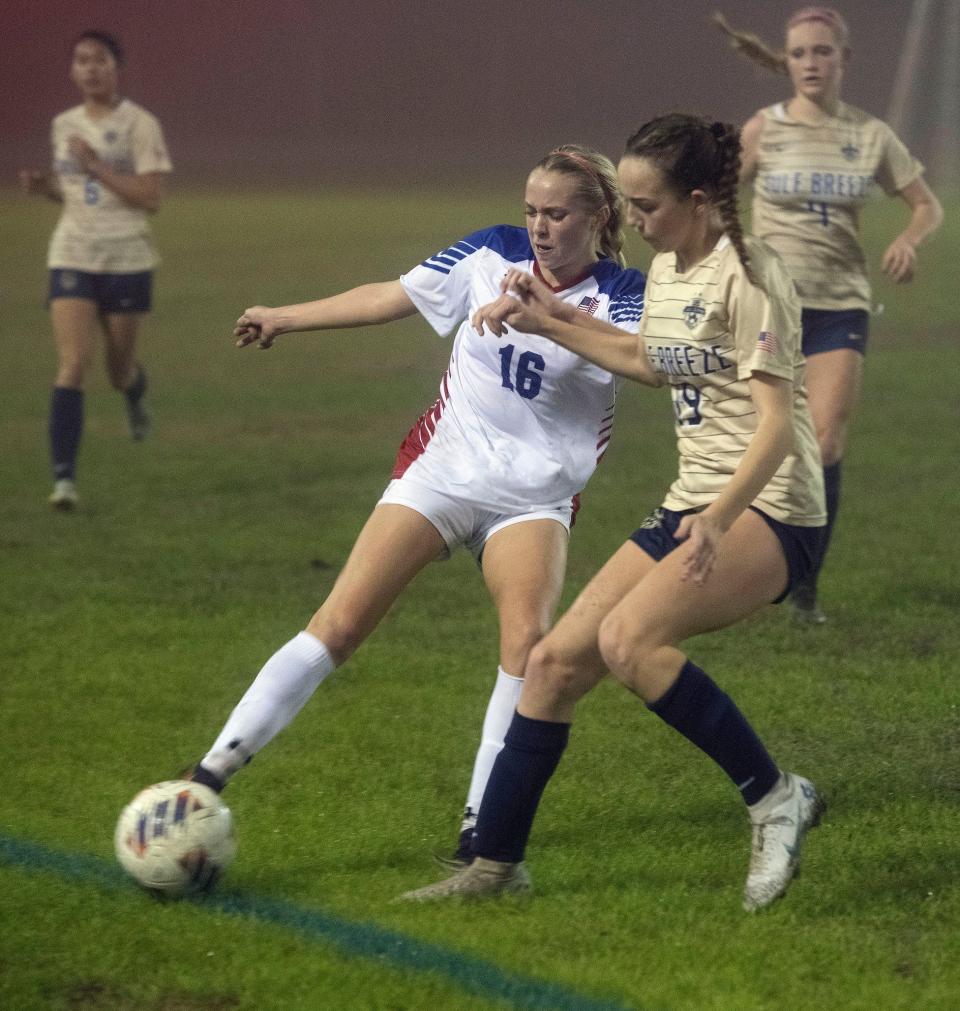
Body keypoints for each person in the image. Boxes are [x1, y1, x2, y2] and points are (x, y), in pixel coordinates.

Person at [400, 113, 827, 913]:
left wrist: (720, 515)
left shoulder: (751, 274)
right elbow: (647, 360)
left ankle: (777, 799)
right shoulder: (668, 265)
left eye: (646, 205)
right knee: (555, 662)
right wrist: (548, 317)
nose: (632, 221)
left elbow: (776, 425)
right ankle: (496, 866)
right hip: (692, 500)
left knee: (629, 640)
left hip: (770, 505)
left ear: (700, 200)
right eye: (625, 203)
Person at [186, 147, 647, 867]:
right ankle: (204, 778)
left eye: (557, 213)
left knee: (526, 646)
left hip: (534, 498)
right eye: (532, 210)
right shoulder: (491, 250)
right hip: (443, 471)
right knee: (337, 623)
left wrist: (546, 318)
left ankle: (479, 833)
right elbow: (390, 295)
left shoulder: (623, 291)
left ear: (600, 217)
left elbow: (642, 357)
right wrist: (285, 316)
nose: (539, 227)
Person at [714, 7, 943, 622]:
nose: (811, 63)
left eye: (822, 52)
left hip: (840, 302)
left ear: (843, 60)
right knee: (758, 441)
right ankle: (740, 567)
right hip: (770, 304)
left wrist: (908, 240)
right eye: (799, 54)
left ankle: (804, 584)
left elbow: (926, 204)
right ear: (785, 62)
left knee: (826, 440)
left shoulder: (869, 135)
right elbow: (713, 194)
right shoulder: (764, 129)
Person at [19, 30, 172, 510]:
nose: (90, 68)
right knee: (72, 363)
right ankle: (64, 481)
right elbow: (76, 192)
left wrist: (97, 166)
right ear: (72, 70)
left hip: (127, 256)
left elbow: (150, 198)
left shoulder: (140, 124)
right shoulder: (63, 123)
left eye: (99, 60)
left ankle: (133, 391)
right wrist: (46, 187)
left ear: (116, 68)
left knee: (117, 370)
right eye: (81, 60)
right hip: (72, 252)